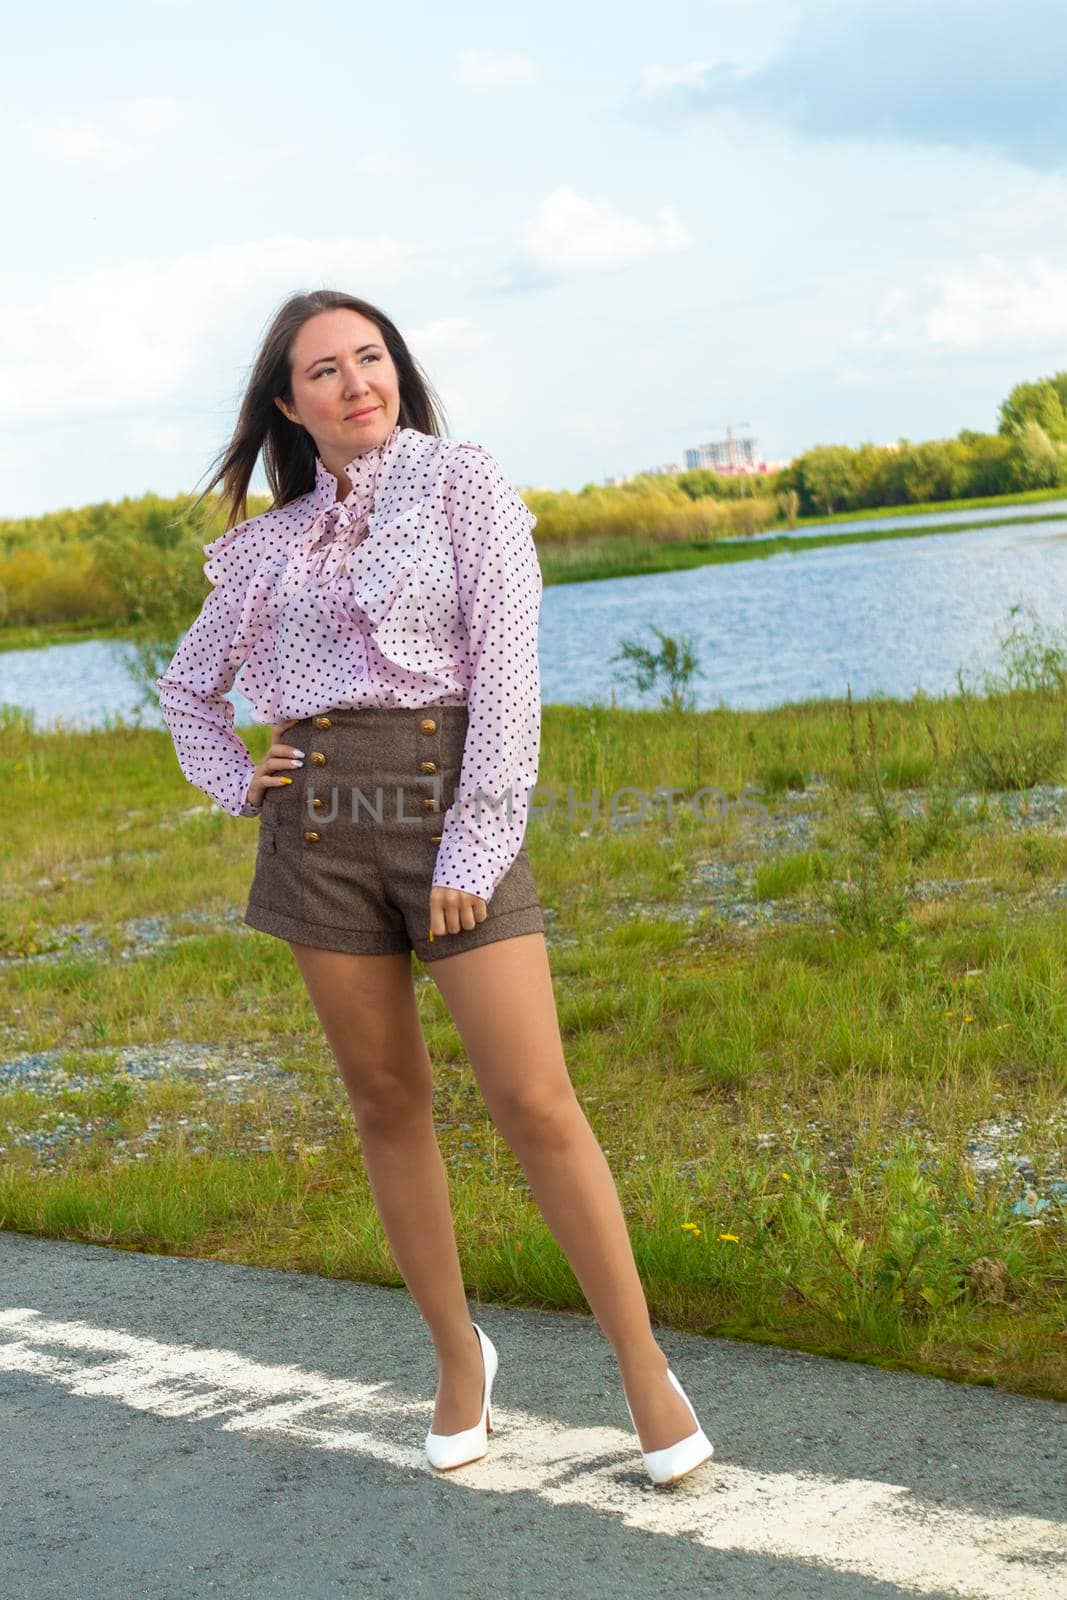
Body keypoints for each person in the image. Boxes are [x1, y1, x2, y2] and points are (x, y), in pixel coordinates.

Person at [154, 288, 713, 1486]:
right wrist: (244, 782)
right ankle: (459, 1358)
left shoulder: (461, 484)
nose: (356, 382)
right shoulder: (263, 546)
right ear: (287, 403)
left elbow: (509, 677)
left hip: (447, 800)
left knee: (534, 1098)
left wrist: (472, 844)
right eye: (324, 370)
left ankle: (642, 1366)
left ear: (395, 371)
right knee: (385, 1101)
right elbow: (185, 687)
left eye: (371, 358)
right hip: (318, 828)